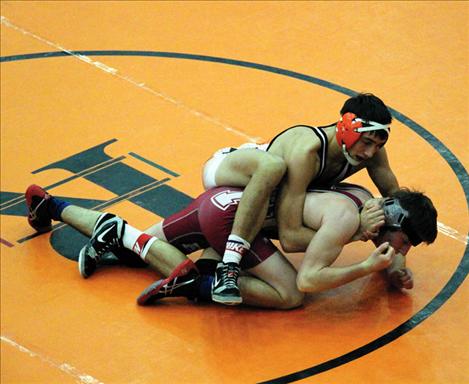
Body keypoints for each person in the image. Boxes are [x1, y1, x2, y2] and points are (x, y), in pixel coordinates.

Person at [25, 181, 437, 309]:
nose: (401, 250)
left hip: (224, 201)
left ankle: (51, 204)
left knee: (137, 249)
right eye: (403, 243)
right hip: (232, 219)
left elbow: (392, 247)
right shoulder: (345, 218)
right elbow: (311, 279)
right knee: (291, 295)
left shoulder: (364, 199)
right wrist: (365, 268)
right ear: (392, 220)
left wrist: (394, 269)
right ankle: (197, 285)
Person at [201, 93, 399, 305]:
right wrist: (355, 232)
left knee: (364, 200)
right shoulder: (307, 151)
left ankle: (212, 257)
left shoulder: (372, 152)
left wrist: (397, 257)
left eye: (377, 145)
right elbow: (290, 237)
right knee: (273, 168)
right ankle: (229, 264)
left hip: (263, 198)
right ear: (346, 129)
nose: (370, 153)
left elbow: (398, 204)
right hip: (230, 171)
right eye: (367, 142)